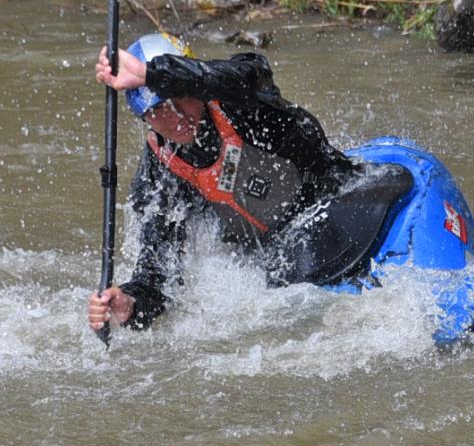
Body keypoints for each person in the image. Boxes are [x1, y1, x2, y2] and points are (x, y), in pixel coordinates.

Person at [87, 33, 370, 333]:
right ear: (145, 118)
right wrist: (129, 305)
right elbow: (158, 275)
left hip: (340, 207)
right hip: (286, 261)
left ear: (195, 85)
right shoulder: (161, 174)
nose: (177, 117)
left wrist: (153, 75)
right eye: (158, 110)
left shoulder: (239, 101)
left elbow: (250, 70)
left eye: (180, 98)